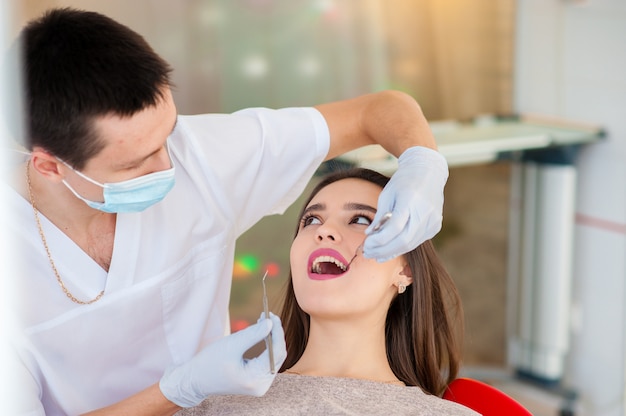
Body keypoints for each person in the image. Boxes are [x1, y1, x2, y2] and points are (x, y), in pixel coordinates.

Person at [4, 7, 450, 416]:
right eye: (136, 162)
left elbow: (380, 110)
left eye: (167, 136)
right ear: (48, 166)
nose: (169, 167)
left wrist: (423, 161)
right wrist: (179, 389)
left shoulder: (204, 156)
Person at [176, 168, 477, 416]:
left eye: (360, 219)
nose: (323, 230)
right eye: (311, 220)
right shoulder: (210, 404)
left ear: (406, 270)